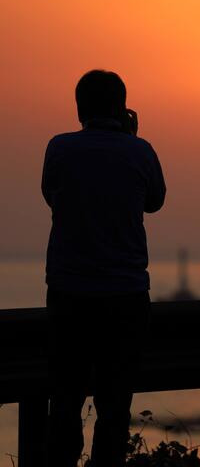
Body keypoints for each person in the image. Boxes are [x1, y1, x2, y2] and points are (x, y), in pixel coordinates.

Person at [42, 69, 166, 467]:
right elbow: (155, 201)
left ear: (79, 107)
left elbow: (51, 195)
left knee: (64, 401)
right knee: (114, 408)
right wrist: (131, 140)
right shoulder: (141, 150)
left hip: (69, 293)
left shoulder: (59, 148)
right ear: (123, 107)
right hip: (125, 295)